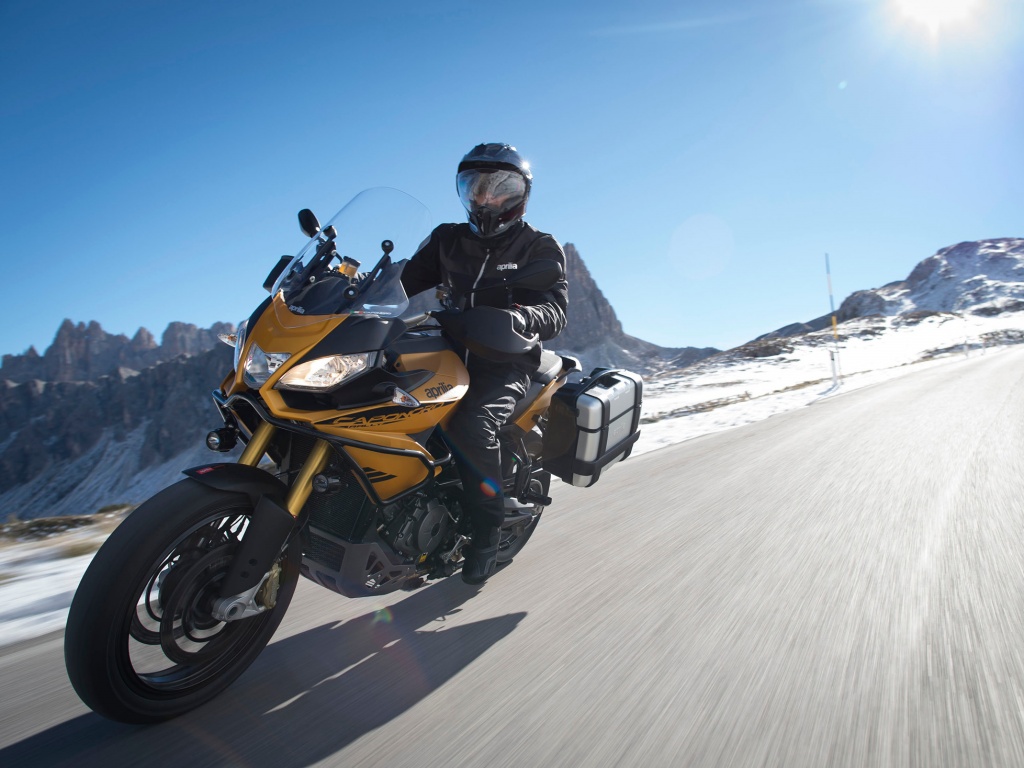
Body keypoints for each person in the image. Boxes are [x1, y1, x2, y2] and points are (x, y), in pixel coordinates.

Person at [400, 143, 569, 584]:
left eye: (500, 187)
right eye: (475, 186)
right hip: (445, 350)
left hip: (505, 361)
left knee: (471, 425)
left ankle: (486, 533)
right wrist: (351, 283)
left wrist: (520, 317)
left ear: (521, 194)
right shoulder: (448, 239)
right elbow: (401, 282)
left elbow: (555, 311)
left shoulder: (538, 245)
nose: (486, 197)